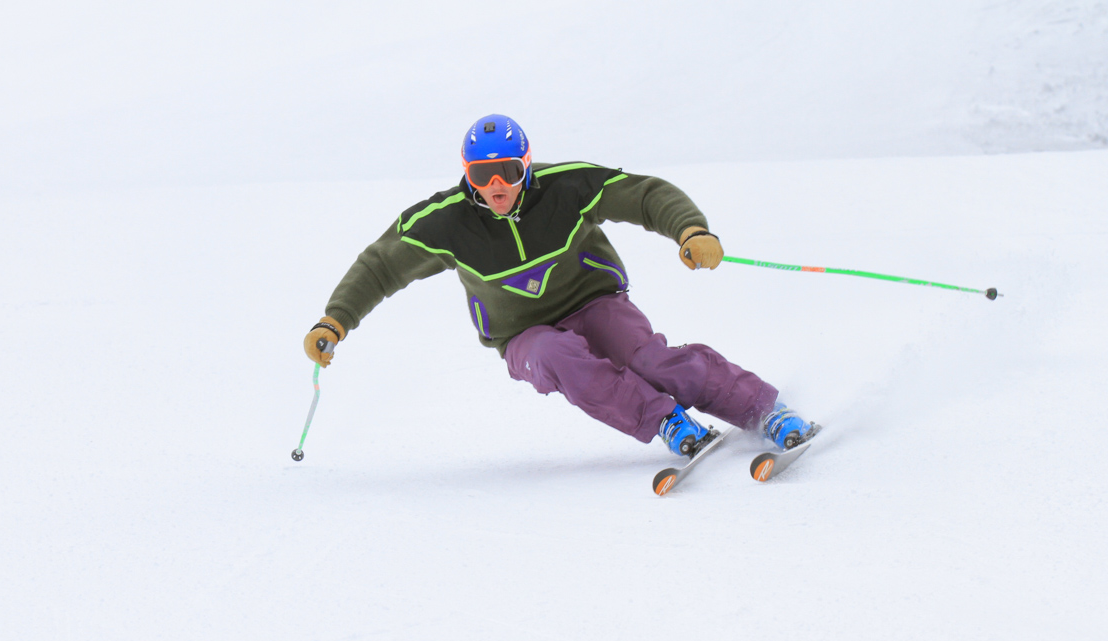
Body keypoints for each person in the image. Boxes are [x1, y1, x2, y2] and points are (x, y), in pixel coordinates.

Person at [304, 114, 816, 459]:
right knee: (558, 356)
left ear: (526, 163)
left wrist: (691, 230)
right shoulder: (444, 222)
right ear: (468, 176)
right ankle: (667, 422)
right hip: (522, 335)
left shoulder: (565, 187)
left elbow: (644, 194)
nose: (496, 185)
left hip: (594, 301)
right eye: (482, 175)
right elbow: (380, 267)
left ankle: (763, 410)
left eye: (506, 170)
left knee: (649, 361)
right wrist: (335, 319)